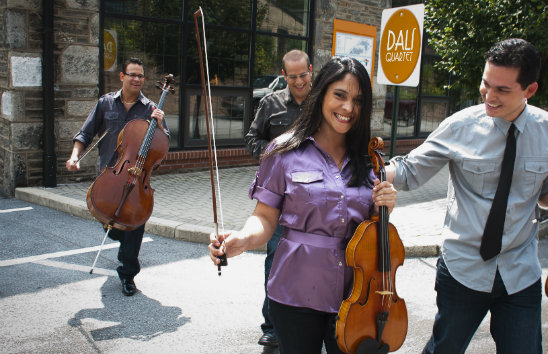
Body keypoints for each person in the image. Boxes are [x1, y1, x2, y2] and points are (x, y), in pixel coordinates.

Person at [385, 38, 548, 354]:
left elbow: (547, 190)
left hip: (520, 270)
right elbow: (410, 171)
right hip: (463, 268)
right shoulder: (460, 126)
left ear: (529, 90)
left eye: (502, 90)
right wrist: (369, 172)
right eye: (486, 84)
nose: (489, 95)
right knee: (444, 348)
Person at [209, 56, 397, 354]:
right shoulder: (283, 151)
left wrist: (384, 207)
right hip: (295, 291)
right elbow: (265, 217)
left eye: (358, 100)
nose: (348, 108)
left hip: (356, 294)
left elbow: (371, 229)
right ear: (321, 93)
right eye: (340, 95)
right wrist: (242, 240)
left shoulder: (368, 160)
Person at [66, 58, 169, 297]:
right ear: (122, 77)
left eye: (140, 76)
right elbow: (85, 133)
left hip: (136, 179)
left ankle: (128, 274)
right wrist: (74, 157)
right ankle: (120, 237)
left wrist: (161, 125)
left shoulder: (151, 109)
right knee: (110, 224)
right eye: (132, 74)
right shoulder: (105, 104)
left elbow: (164, 142)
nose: (137, 79)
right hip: (110, 175)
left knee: (134, 224)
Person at [243, 49, 313, 347]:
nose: (299, 82)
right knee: (276, 259)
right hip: (281, 197)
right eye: (293, 76)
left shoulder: (322, 101)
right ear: (284, 75)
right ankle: (271, 325)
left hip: (314, 198)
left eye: (303, 75)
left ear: (311, 70)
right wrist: (275, 152)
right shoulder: (271, 103)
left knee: (313, 261)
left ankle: (312, 322)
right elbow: (251, 139)